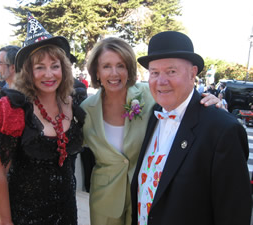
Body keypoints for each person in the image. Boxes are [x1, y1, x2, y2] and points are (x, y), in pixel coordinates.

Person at [80, 37, 222, 225]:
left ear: (129, 69)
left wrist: (211, 102)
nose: (114, 73)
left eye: (120, 65)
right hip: (105, 199)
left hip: (147, 195)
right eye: (106, 66)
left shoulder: (151, 94)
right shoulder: (85, 109)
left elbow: (183, 102)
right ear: (96, 72)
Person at [131, 31, 252, 225]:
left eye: (171, 71)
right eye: (154, 72)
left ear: (192, 73)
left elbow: (234, 214)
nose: (161, 81)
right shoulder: (155, 114)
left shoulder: (222, 130)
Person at [0, 13, 85, 225]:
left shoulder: (72, 104)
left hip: (66, 211)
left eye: (55, 65)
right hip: (26, 215)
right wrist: (5, 222)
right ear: (28, 72)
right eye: (40, 67)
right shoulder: (13, 109)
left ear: (64, 68)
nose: (49, 74)